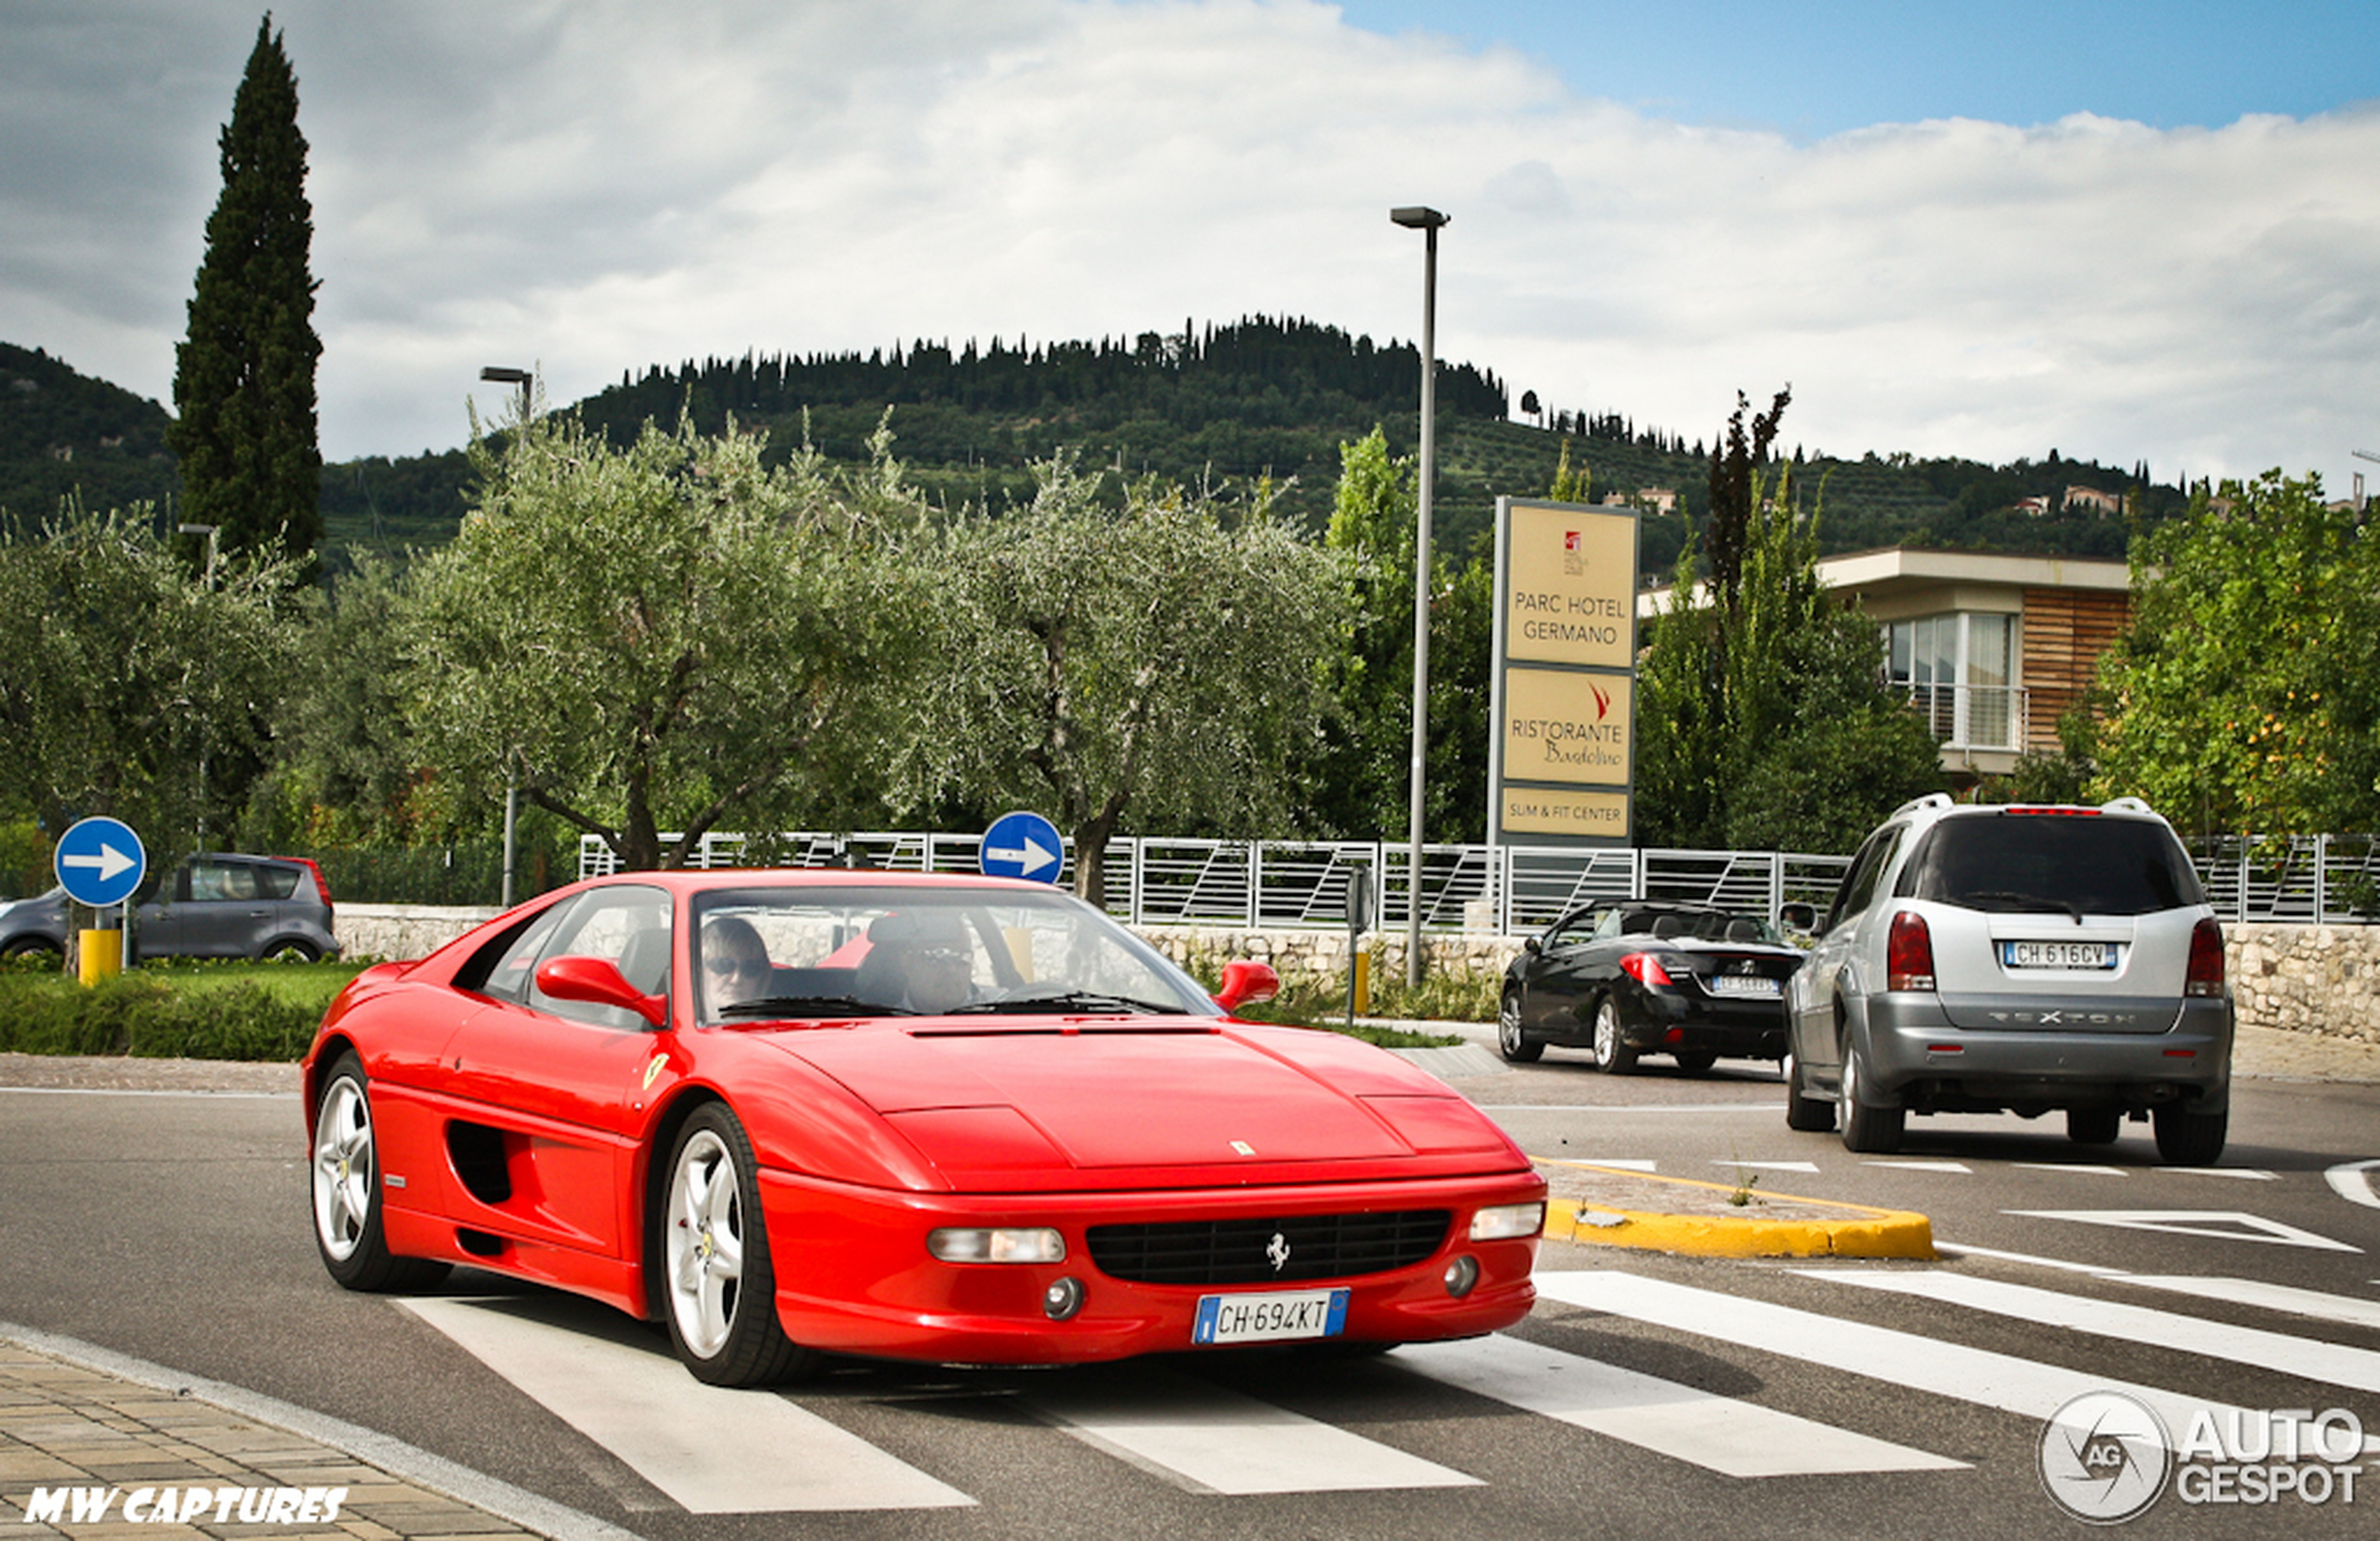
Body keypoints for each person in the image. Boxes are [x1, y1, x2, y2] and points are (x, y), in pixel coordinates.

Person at [858, 911, 978, 1014]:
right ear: (907, 962)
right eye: (937, 957)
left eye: (963, 957)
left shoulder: (996, 1011)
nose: (952, 969)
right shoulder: (875, 1021)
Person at [700, 916, 774, 1013]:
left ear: (762, 978)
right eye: (723, 966)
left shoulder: (776, 1025)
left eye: (750, 968)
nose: (736, 979)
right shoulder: (678, 1020)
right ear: (700, 972)